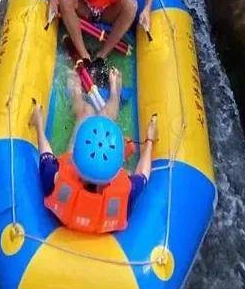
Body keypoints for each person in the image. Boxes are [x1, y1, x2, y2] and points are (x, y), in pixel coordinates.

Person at [30, 69, 157, 234]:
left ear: (74, 160)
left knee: (87, 112)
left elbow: (45, 155)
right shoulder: (127, 192)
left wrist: (39, 125)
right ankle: (114, 94)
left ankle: (77, 94)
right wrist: (149, 140)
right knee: (104, 116)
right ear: (119, 165)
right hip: (105, 213)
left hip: (71, 201)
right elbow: (143, 173)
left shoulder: (55, 179)